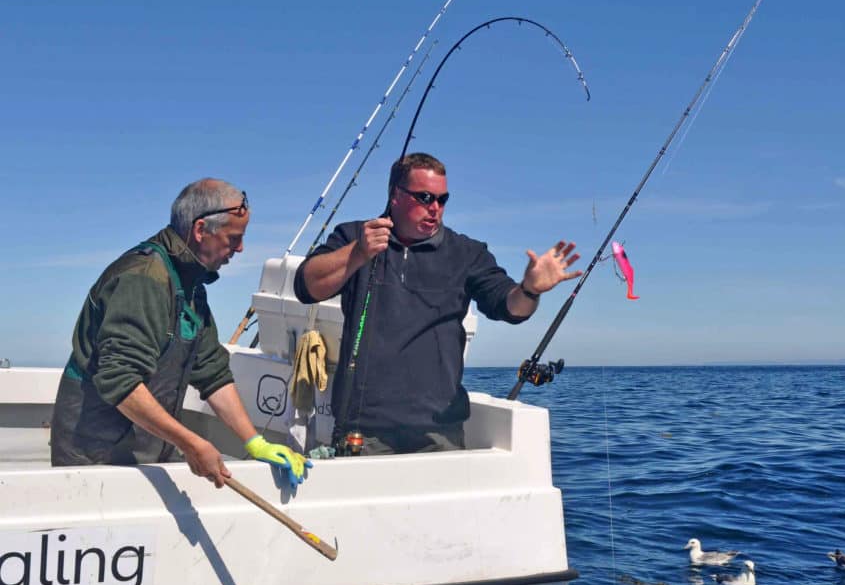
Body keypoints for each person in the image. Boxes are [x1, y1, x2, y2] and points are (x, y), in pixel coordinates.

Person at [295, 152, 581, 454]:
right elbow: (306, 286)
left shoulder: (467, 253)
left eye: (442, 200)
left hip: (439, 430)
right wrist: (358, 254)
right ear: (395, 195)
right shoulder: (354, 237)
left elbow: (509, 307)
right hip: (364, 429)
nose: (435, 208)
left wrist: (530, 289)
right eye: (425, 197)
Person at [51, 178, 309, 489]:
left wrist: (255, 443)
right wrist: (190, 443)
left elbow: (212, 373)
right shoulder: (144, 278)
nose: (240, 249)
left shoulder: (190, 286)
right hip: (95, 460)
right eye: (233, 238)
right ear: (201, 230)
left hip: (145, 453)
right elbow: (121, 382)